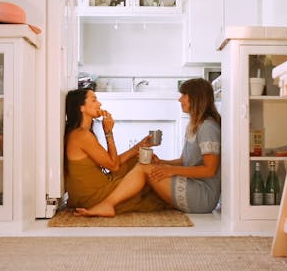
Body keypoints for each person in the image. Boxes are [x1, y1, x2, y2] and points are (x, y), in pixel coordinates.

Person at [75, 78, 221, 216]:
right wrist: (161, 163)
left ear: (196, 98)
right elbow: (184, 161)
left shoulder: (207, 127)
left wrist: (170, 170)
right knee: (145, 164)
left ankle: (108, 204)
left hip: (203, 196)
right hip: (193, 185)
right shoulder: (194, 126)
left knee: (143, 168)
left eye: (184, 95)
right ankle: (113, 201)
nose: (179, 99)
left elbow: (209, 170)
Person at [64, 88, 170, 215]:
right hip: (93, 197)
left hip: (95, 188)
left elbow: (113, 163)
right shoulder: (81, 135)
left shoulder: (81, 133)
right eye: (94, 100)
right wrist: (108, 132)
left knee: (137, 160)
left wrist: (138, 147)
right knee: (144, 171)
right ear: (81, 108)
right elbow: (114, 166)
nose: (99, 104)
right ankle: (106, 205)